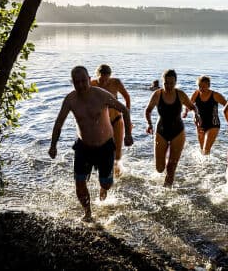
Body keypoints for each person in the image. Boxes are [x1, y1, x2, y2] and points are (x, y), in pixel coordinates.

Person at [49, 66, 133, 221]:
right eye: (76, 82)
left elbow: (124, 111)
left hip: (105, 147)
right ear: (72, 82)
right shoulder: (70, 100)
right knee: (79, 183)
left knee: (106, 184)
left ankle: (103, 187)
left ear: (89, 80)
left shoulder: (102, 95)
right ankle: (87, 212)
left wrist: (128, 135)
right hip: (83, 147)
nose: (80, 85)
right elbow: (58, 123)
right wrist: (53, 145)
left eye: (83, 81)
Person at [145, 69, 200, 187]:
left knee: (171, 167)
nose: (169, 86)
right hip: (161, 131)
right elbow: (148, 110)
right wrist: (149, 123)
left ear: (175, 82)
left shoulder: (180, 94)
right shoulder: (157, 94)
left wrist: (196, 115)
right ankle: (166, 158)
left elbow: (192, 107)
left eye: (171, 83)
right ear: (162, 82)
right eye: (166, 83)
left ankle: (166, 192)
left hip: (178, 131)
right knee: (160, 168)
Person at [90, 64, 131, 178]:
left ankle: (117, 177)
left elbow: (127, 97)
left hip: (117, 120)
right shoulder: (92, 84)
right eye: (102, 78)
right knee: (102, 151)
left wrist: (128, 118)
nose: (104, 81)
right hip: (102, 123)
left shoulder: (116, 83)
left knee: (117, 152)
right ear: (97, 75)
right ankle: (104, 174)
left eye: (107, 78)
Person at [182, 75, 227, 155]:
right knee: (202, 150)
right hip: (200, 124)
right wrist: (189, 113)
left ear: (208, 86)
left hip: (213, 124)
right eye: (199, 86)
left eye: (203, 86)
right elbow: (189, 106)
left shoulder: (215, 95)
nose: (201, 89)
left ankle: (207, 166)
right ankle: (204, 167)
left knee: (206, 149)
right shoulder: (196, 94)